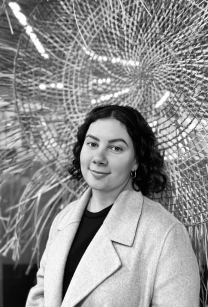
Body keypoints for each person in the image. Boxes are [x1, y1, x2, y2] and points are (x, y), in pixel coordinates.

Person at [26, 104, 200, 307]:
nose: (99, 158)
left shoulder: (166, 233)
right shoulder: (63, 218)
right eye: (92, 144)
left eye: (115, 148)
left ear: (136, 161)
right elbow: (40, 298)